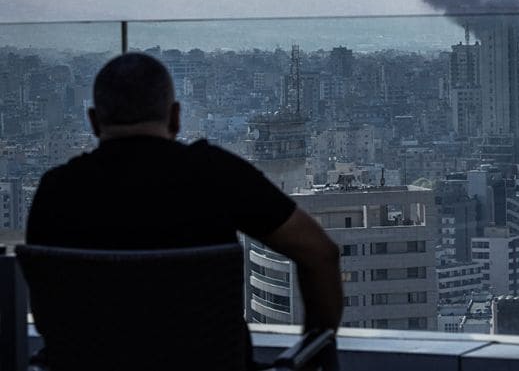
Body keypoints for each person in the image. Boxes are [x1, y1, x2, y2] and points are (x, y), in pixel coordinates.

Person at [27, 53, 343, 354]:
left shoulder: (57, 191)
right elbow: (320, 253)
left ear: (94, 121)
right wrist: (314, 353)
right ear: (175, 117)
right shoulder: (215, 174)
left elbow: (46, 313)